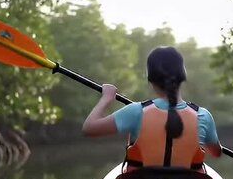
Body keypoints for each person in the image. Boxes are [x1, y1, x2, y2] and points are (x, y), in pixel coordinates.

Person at [82, 46, 221, 172]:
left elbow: (89, 128)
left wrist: (106, 98)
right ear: (182, 76)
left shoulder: (135, 111)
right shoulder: (203, 115)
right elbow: (216, 153)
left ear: (150, 78)